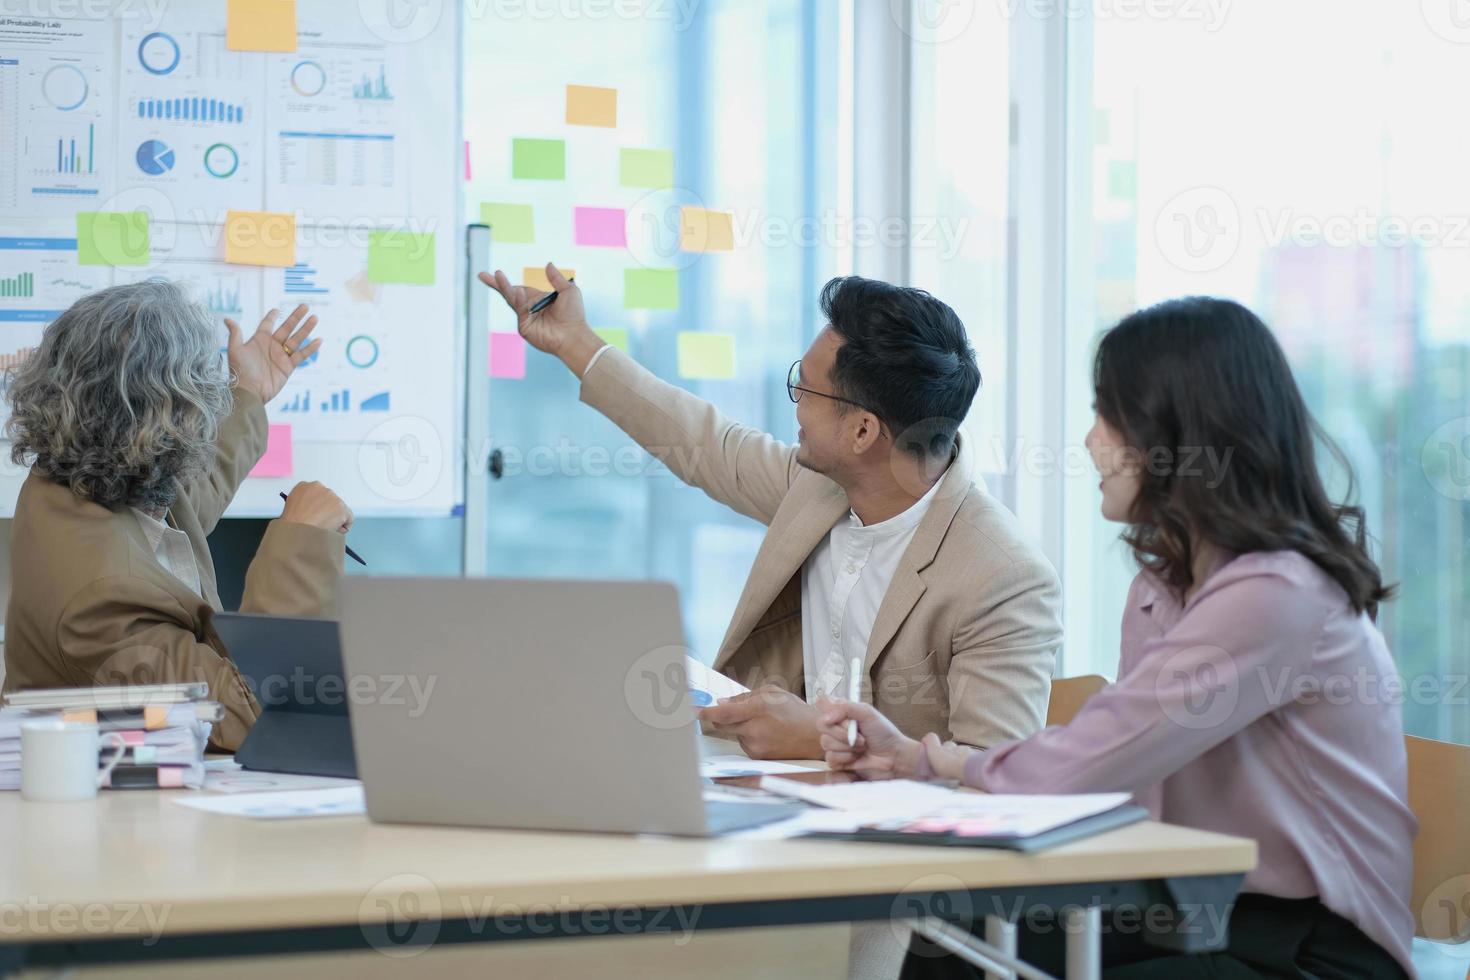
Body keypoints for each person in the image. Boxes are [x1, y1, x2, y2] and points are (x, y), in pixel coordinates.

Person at [820, 297, 1416, 979]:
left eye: (1108, 417)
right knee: (955, 930)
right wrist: (917, 762)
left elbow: (1086, 763)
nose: (1089, 441)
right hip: (1195, 908)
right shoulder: (1163, 591)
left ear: (1177, 434)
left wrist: (925, 762)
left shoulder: (1277, 594)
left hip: (1312, 950)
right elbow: (1115, 776)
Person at [481, 263, 1062, 760]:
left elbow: (995, 776)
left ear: (863, 430)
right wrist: (575, 342)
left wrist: (826, 739)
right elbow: (705, 443)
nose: (795, 407)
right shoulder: (819, 488)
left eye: (804, 390)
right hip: (779, 807)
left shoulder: (1003, 578)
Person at [3, 281, 355, 752]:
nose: (212, 403)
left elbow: (191, 494)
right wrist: (301, 545)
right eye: (204, 392)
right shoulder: (101, 599)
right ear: (169, 422)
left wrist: (247, 390)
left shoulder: (74, 476)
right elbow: (249, 715)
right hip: (126, 813)